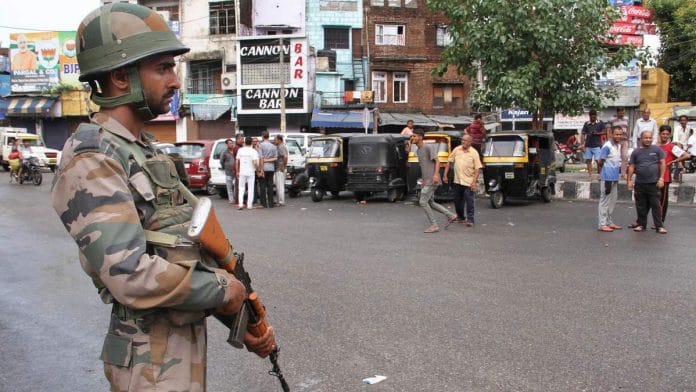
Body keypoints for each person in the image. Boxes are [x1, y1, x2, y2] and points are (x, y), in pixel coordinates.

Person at [50, 4, 274, 391]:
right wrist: (225, 292)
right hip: (148, 359)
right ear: (121, 77)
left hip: (176, 345)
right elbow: (128, 274)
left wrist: (241, 316)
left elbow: (188, 248)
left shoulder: (146, 151)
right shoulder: (94, 157)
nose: (175, 80)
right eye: (163, 68)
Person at [413, 128, 457, 233]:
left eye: (414, 136)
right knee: (431, 202)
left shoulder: (428, 147)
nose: (412, 138)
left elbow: (437, 161)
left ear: (420, 137)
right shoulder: (418, 150)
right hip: (427, 181)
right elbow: (423, 166)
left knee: (422, 202)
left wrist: (436, 175)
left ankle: (434, 225)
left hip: (433, 180)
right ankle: (450, 215)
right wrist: (423, 180)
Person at [627, 130, 667, 233]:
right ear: (641, 139)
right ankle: (641, 225)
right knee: (641, 205)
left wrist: (661, 178)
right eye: (646, 138)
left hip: (654, 183)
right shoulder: (636, 152)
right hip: (640, 183)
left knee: (656, 206)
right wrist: (629, 180)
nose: (648, 140)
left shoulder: (657, 150)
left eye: (650, 138)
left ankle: (659, 226)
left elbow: (663, 164)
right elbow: (631, 166)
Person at [443, 135, 482, 227]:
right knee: (457, 200)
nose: (463, 142)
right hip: (457, 181)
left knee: (469, 201)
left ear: (470, 142)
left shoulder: (474, 153)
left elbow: (477, 169)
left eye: (465, 141)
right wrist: (445, 175)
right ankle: (461, 217)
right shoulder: (457, 149)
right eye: (462, 140)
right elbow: (449, 162)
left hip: (468, 181)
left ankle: (470, 220)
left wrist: (474, 182)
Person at [656, 125, 691, 223]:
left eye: (667, 134)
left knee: (662, 200)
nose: (665, 136)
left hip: (665, 177)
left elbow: (686, 155)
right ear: (660, 134)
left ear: (670, 135)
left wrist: (673, 161)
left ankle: (660, 221)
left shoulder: (671, 147)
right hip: (654, 176)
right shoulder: (656, 146)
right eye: (663, 134)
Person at [596, 126, 624, 232]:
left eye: (620, 134)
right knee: (604, 201)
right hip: (607, 178)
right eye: (616, 134)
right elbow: (600, 161)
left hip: (614, 177)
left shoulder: (618, 145)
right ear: (611, 134)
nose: (618, 136)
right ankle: (602, 224)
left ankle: (609, 222)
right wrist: (602, 173)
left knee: (612, 200)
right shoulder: (607, 146)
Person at [236, 136, 260, 210]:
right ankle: (249, 205)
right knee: (250, 188)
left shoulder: (240, 150)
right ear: (251, 143)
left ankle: (240, 204)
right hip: (251, 172)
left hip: (242, 171)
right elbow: (255, 162)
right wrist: (257, 170)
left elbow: (237, 161)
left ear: (245, 142)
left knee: (241, 188)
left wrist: (237, 171)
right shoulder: (253, 151)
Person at [580, 109, 605, 180]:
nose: (593, 118)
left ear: (596, 116)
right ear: (589, 116)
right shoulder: (586, 124)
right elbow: (583, 134)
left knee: (598, 161)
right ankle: (590, 175)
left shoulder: (600, 123)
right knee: (588, 160)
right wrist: (582, 144)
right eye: (592, 117)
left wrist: (597, 133)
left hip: (597, 145)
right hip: (588, 145)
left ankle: (600, 175)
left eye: (594, 117)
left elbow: (604, 131)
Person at [258, 131, 277, 208]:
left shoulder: (261, 145)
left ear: (262, 136)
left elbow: (261, 158)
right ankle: (271, 203)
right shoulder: (273, 146)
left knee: (262, 186)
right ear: (268, 136)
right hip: (271, 168)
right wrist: (269, 160)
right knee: (270, 185)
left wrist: (261, 168)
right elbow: (275, 158)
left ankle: (264, 203)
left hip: (264, 168)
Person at [609, 107, 630, 177]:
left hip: (624, 140)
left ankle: (623, 174)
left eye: (623, 113)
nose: (622, 114)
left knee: (625, 156)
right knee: (615, 156)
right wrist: (609, 139)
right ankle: (614, 172)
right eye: (621, 113)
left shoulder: (626, 119)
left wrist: (628, 138)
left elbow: (628, 129)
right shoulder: (612, 119)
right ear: (617, 112)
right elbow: (609, 130)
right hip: (616, 141)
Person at [219, 138, 236, 204]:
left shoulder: (235, 151)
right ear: (227, 145)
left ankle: (236, 198)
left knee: (235, 186)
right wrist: (224, 167)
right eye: (230, 143)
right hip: (228, 172)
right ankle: (231, 200)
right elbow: (221, 161)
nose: (231, 144)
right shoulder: (224, 152)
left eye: (232, 143)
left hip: (236, 171)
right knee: (229, 186)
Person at [274, 135, 288, 206]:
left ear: (279, 140)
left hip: (280, 168)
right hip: (279, 168)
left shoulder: (281, 147)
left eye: (275, 140)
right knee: (278, 185)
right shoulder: (279, 146)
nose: (274, 141)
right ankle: (279, 200)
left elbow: (285, 157)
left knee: (280, 185)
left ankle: (281, 201)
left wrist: (283, 166)